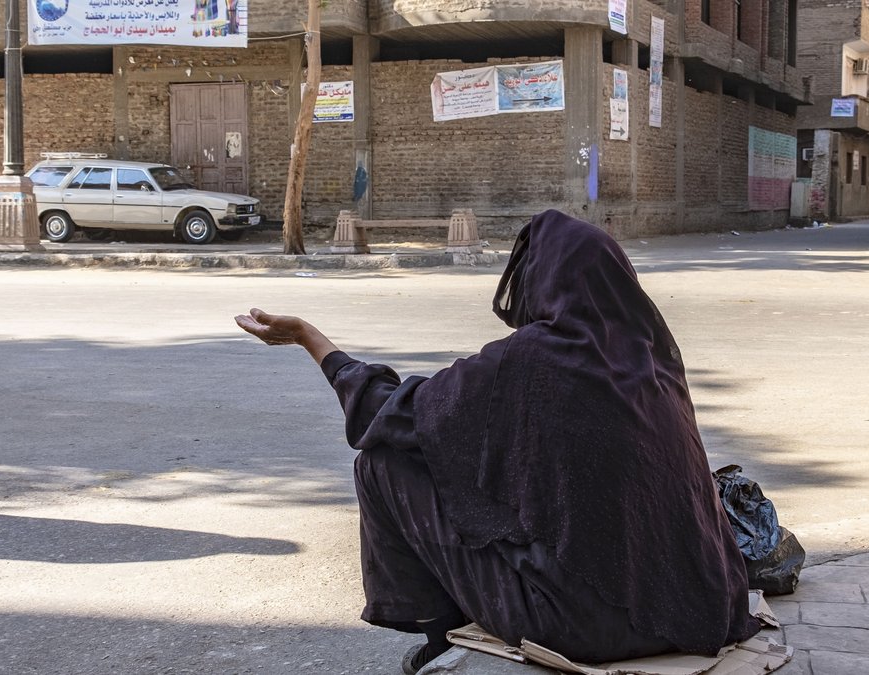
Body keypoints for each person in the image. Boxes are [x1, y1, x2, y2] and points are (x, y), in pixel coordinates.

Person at [235, 210, 759, 674]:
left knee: (380, 463)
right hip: (698, 608)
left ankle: (440, 637)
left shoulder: (535, 358)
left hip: (591, 626)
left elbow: (388, 413)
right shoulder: (653, 361)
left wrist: (310, 338)